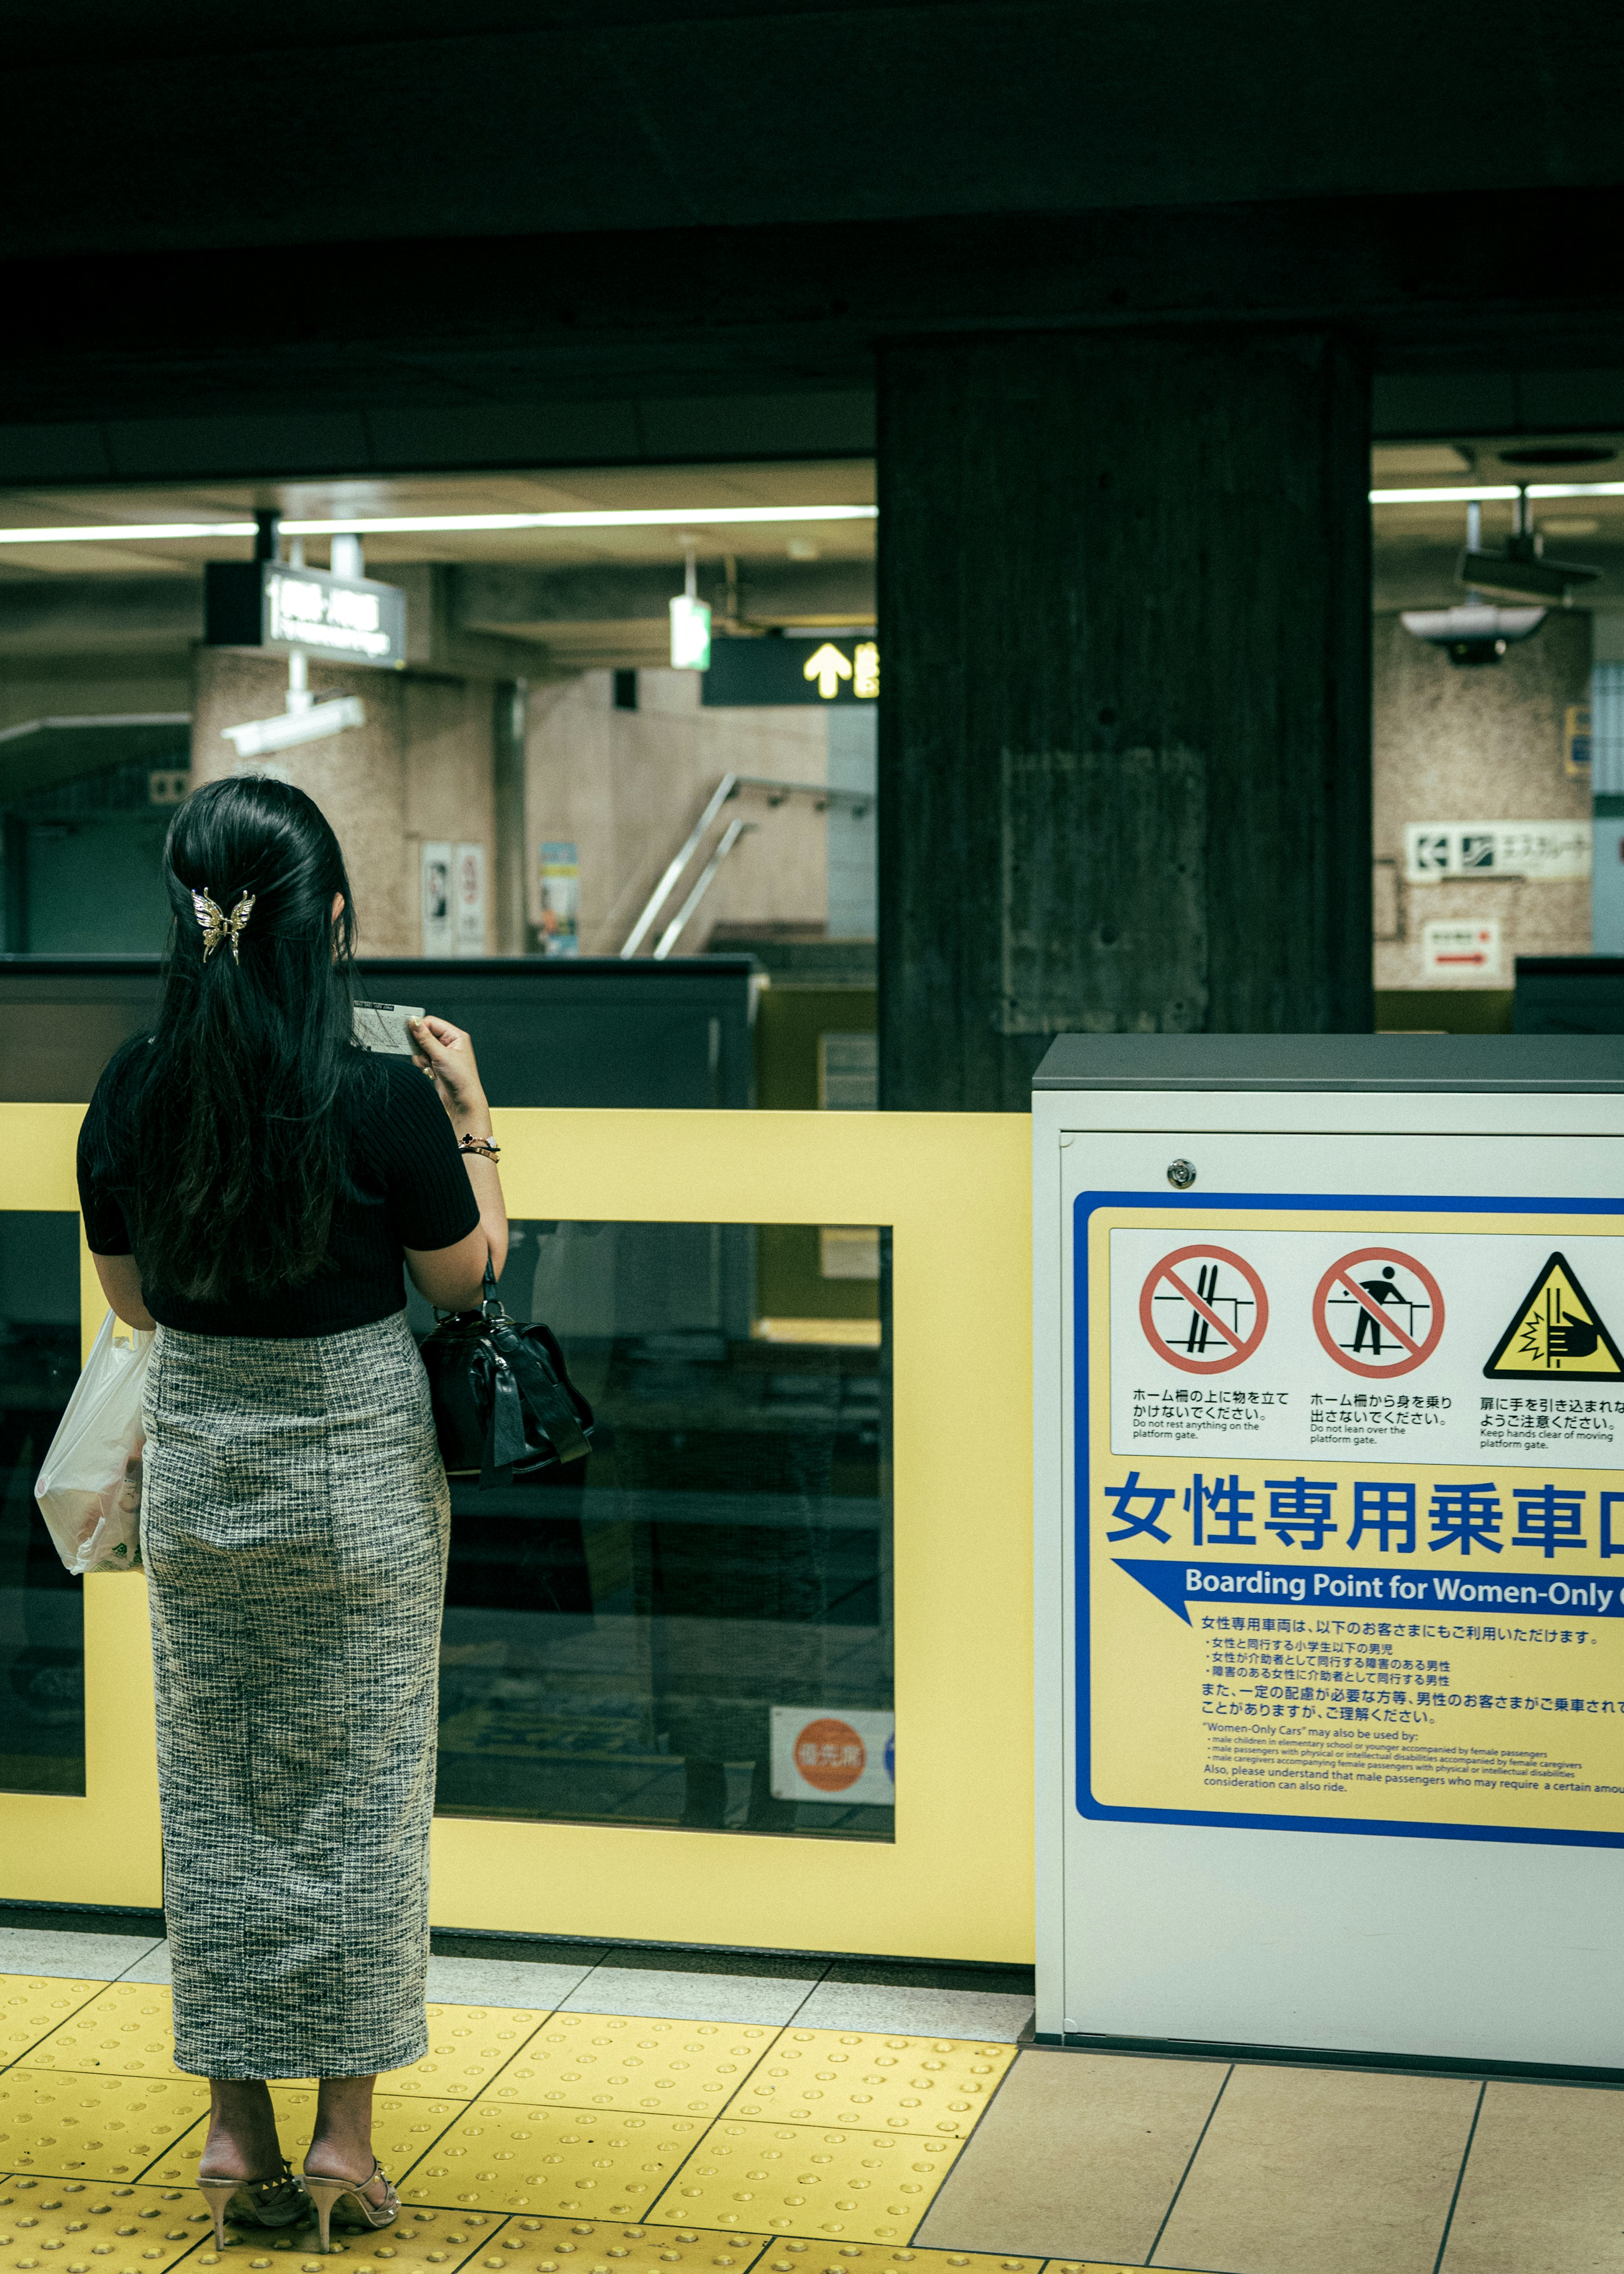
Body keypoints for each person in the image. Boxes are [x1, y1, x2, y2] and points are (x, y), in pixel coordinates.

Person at [75, 777, 508, 2254]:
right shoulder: (380, 1089)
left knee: (216, 1802)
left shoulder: (135, 1087)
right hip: (360, 1488)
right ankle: (345, 2149)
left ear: (189, 930)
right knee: (362, 1806)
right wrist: (475, 1120)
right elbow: (465, 1280)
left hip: (202, 1472)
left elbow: (133, 1305)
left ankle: (229, 2135)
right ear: (329, 922)